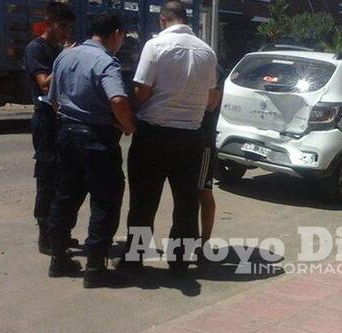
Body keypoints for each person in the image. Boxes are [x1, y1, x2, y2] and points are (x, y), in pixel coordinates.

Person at [123, 0, 217, 274]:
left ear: (162, 20)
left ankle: (134, 259)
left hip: (154, 135)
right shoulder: (207, 52)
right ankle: (180, 261)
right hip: (190, 137)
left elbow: (141, 92)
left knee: (143, 202)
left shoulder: (155, 46)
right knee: (187, 203)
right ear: (185, 19)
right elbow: (211, 99)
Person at [47, 13, 136, 288]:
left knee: (65, 196)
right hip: (96, 139)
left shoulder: (65, 56)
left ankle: (58, 258)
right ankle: (96, 268)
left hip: (67, 134)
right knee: (105, 201)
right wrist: (128, 126)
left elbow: (53, 101)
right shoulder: (105, 61)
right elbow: (118, 99)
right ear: (116, 34)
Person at [24, 1, 76, 255]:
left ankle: (60, 232)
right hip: (45, 120)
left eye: (69, 28)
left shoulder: (57, 49)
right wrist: (65, 59)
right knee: (47, 177)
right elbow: (44, 83)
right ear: (48, 24)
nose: (66, 32)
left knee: (64, 178)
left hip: (61, 120)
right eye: (62, 26)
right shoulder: (36, 49)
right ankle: (45, 234)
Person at [197, 68, 224, 246]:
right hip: (188, 141)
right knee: (189, 194)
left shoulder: (214, 71)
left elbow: (211, 104)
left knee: (204, 192)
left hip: (204, 144)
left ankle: (204, 242)